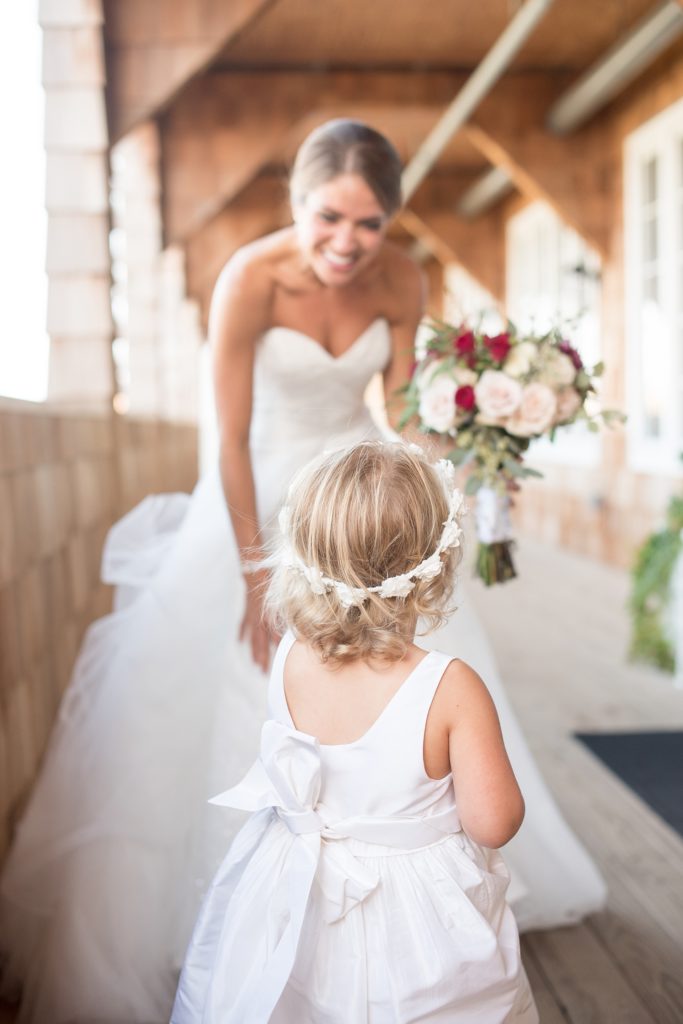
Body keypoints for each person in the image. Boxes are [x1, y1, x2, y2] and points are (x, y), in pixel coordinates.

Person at [0, 119, 604, 1024]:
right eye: (329, 218)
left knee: (413, 668)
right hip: (262, 506)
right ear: (297, 202)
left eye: (369, 225)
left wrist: (466, 444)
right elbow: (231, 443)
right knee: (234, 694)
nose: (347, 244)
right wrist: (254, 577)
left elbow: (401, 411)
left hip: (361, 500)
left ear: (390, 223)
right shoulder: (247, 279)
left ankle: (404, 890)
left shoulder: (403, 279)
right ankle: (250, 914)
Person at [171, 440, 539, 1024]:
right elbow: (493, 822)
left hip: (299, 893)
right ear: (437, 563)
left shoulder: (291, 656)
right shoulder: (449, 686)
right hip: (413, 919)